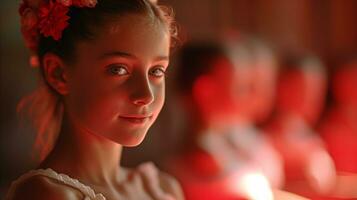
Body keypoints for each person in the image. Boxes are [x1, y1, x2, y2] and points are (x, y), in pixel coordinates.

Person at [6, 0, 184, 199]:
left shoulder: (163, 189)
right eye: (118, 69)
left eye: (157, 71)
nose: (146, 96)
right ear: (58, 74)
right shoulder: (47, 194)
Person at [264, 55, 336, 197]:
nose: (308, 97)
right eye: (299, 89)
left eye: (316, 91)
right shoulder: (264, 139)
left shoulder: (312, 137)